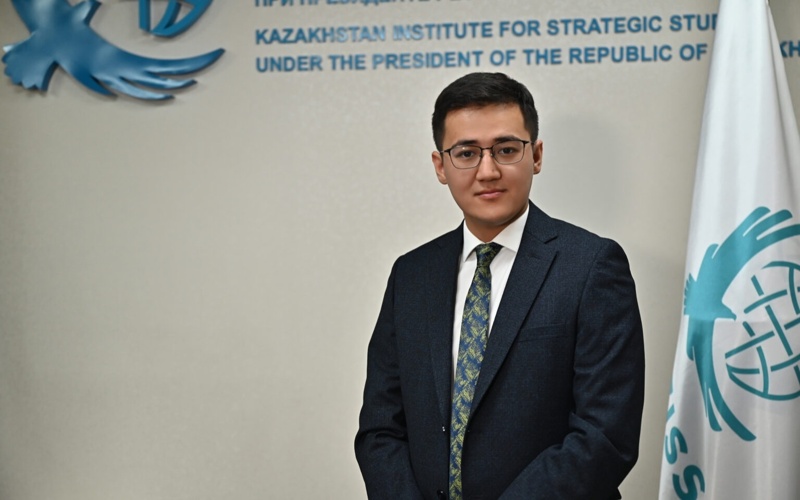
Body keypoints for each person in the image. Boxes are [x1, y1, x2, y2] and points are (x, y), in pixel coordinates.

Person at [354, 72, 645, 500]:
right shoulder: (411, 275)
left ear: (537, 155)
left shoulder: (591, 266)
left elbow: (604, 435)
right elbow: (381, 428)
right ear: (440, 166)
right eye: (466, 153)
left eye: (506, 150)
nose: (488, 171)